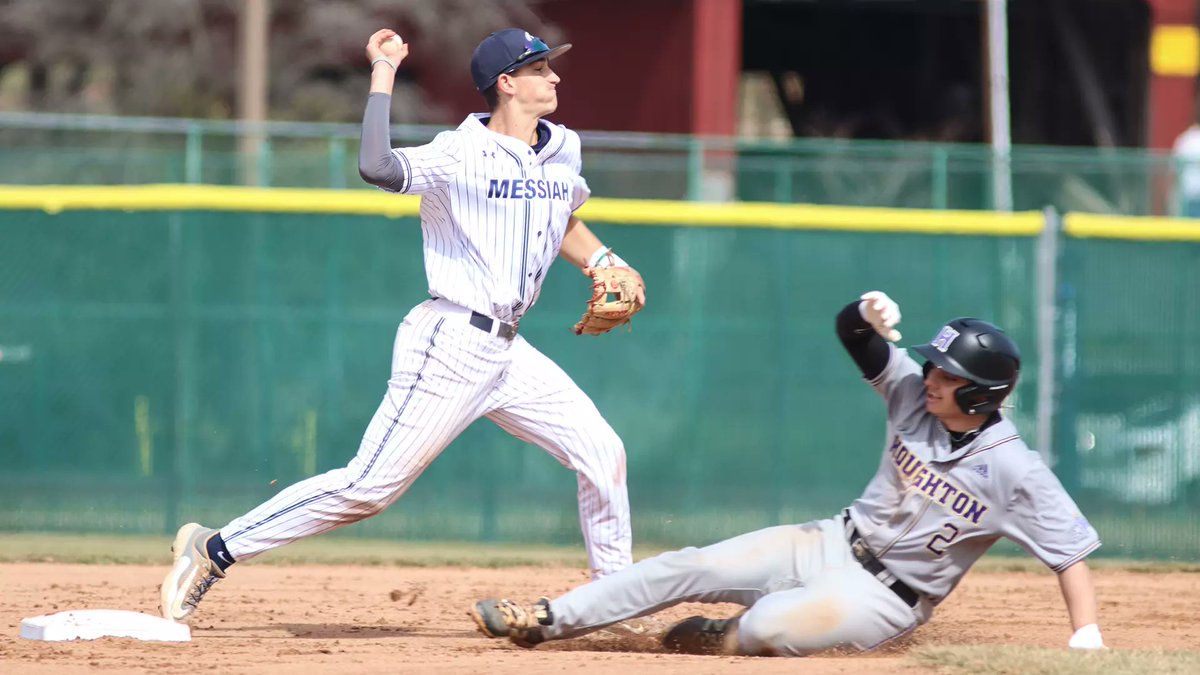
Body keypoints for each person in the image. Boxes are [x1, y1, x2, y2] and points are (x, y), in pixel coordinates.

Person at [160, 27, 647, 622]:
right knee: (367, 488)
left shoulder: (562, 147)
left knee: (602, 451)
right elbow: (376, 165)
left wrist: (604, 260)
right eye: (542, 69)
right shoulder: (458, 151)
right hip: (450, 342)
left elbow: (562, 213)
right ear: (507, 82)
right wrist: (384, 72)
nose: (555, 78)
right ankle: (213, 548)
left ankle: (611, 598)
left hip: (509, 352)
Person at [470, 291, 1107, 656]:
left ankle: (728, 637)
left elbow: (1069, 554)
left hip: (885, 598)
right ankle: (546, 617)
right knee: (690, 564)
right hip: (831, 539)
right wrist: (863, 312)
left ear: (981, 395)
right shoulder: (912, 393)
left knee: (772, 625)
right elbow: (854, 338)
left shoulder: (1016, 471)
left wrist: (1087, 636)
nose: (931, 378)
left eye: (949, 375)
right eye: (934, 367)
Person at [1172, 121, 1200, 218]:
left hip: (1187, 193)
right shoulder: (1186, 139)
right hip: (1190, 194)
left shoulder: (1184, 139)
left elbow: (1174, 168)